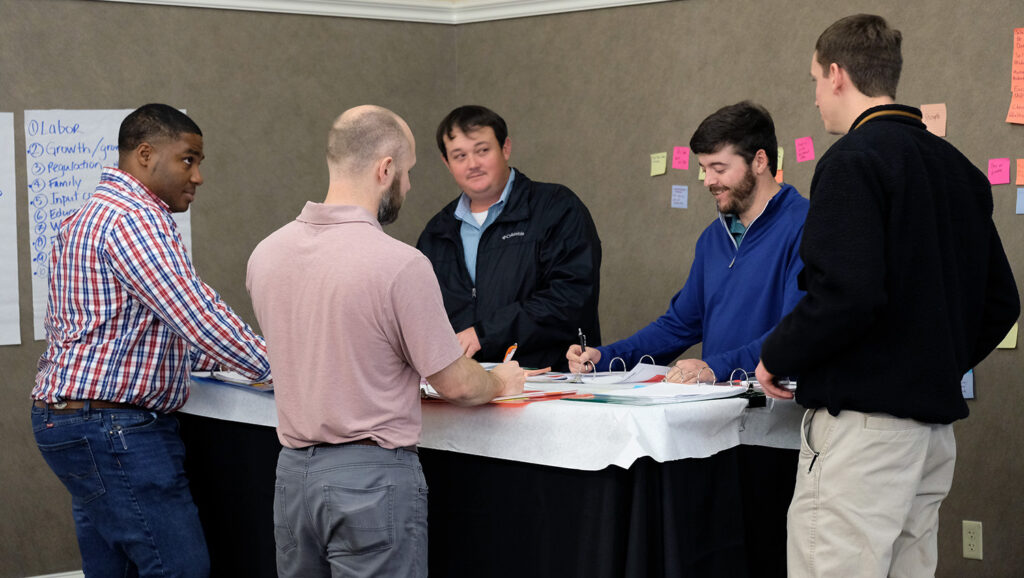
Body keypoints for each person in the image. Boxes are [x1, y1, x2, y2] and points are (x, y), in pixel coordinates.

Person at [756, 14, 1019, 578]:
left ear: (836, 74)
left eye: (813, 82)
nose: (817, 98)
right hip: (931, 436)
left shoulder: (852, 161)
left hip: (864, 436)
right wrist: (930, 362)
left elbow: (845, 293)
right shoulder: (961, 170)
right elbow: (1002, 303)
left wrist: (776, 355)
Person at [246, 105, 525, 577]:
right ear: (385, 169)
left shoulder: (266, 254)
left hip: (292, 479)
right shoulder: (400, 264)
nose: (410, 186)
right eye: (409, 171)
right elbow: (455, 384)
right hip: (370, 482)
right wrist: (499, 381)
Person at [31, 103, 272, 577]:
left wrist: (209, 361)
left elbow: (129, 323)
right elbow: (198, 314)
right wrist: (283, 367)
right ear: (145, 154)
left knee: (113, 570)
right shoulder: (135, 219)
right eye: (189, 159)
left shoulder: (85, 216)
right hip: (115, 429)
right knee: (179, 568)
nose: (198, 176)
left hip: (72, 423)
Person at [568, 101, 808, 384]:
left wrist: (716, 368)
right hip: (718, 408)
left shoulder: (806, 225)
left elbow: (797, 331)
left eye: (718, 168)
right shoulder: (712, 239)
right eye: (703, 169)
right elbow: (680, 325)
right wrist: (607, 357)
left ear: (759, 161)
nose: (708, 181)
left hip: (777, 409)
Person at [416, 105, 601, 371]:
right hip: (467, 388)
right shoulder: (436, 232)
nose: (473, 164)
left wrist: (483, 334)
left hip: (549, 383)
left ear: (505, 148)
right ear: (446, 162)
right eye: (459, 156)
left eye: (482, 150)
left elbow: (570, 299)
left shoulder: (557, 208)